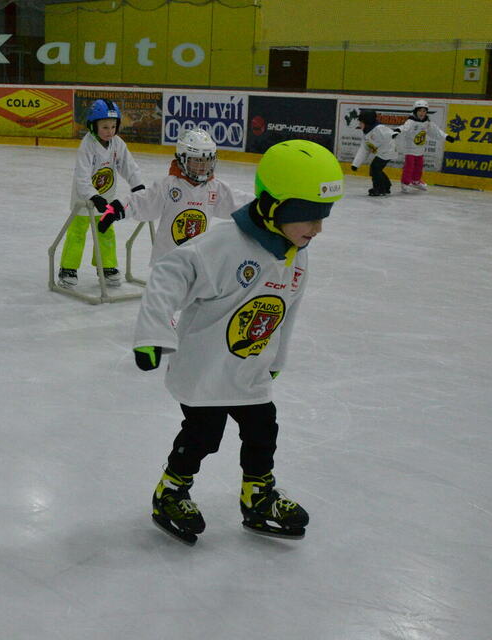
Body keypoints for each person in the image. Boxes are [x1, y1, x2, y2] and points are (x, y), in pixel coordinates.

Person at [131, 139, 343, 545]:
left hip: (250, 370)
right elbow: (169, 274)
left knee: (264, 430)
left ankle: (257, 494)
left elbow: (287, 309)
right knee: (203, 435)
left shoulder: (296, 251)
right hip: (207, 368)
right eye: (310, 216)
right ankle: (171, 490)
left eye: (323, 216)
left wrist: (277, 359)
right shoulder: (225, 244)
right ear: (276, 207)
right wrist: (153, 333)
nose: (318, 228)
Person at [97, 128, 251, 265]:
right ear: (182, 159)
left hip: (196, 261)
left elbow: (239, 202)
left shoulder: (215, 188)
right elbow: (144, 202)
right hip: (166, 262)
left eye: (207, 160)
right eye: (197, 161)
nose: (203, 166)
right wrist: (117, 209)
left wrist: (261, 204)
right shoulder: (169, 185)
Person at [58, 98, 145, 289]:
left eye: (113, 126)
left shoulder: (117, 144)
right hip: (84, 201)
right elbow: (82, 177)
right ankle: (68, 268)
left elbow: (128, 166)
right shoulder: (87, 146)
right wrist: (93, 195)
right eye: (105, 127)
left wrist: (137, 185)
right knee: (77, 233)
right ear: (93, 125)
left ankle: (106, 266)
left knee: (106, 231)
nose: (110, 131)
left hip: (106, 199)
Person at [394, 100, 455, 192]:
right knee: (409, 167)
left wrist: (446, 136)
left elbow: (436, 131)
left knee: (419, 166)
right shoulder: (411, 121)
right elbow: (404, 128)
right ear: (415, 111)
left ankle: (416, 181)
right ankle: (405, 183)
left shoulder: (427, 122)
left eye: (424, 111)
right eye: (420, 111)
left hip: (420, 149)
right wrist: (398, 130)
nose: (422, 113)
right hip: (410, 149)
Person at [350, 109, 396, 196]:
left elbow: (391, 134)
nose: (359, 125)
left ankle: (379, 188)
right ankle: (386, 186)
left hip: (388, 151)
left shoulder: (379, 128)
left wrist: (394, 135)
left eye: (361, 122)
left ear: (367, 122)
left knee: (374, 168)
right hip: (382, 152)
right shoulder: (367, 133)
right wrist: (355, 164)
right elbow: (364, 149)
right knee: (376, 169)